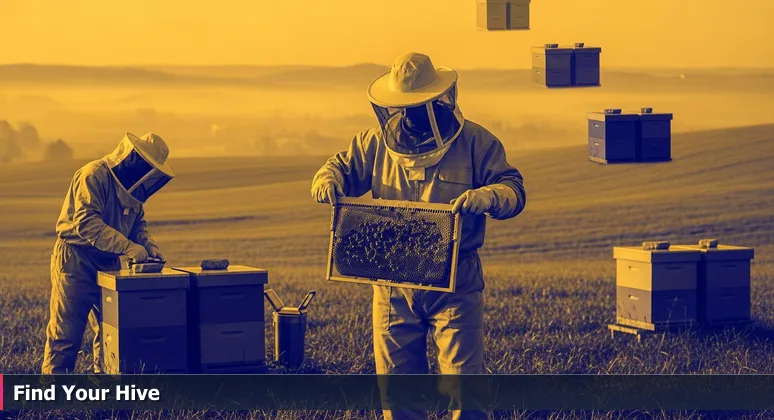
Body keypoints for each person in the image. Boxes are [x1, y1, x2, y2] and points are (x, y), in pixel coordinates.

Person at [311, 52, 527, 420]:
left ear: (439, 100)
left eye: (419, 108)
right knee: (398, 392)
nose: (411, 117)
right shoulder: (374, 143)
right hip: (393, 283)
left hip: (456, 281)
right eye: (404, 108)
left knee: (465, 389)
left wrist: (488, 196)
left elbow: (514, 191)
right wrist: (325, 181)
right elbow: (337, 168)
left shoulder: (476, 142)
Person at [42, 132, 175, 374]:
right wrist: (128, 247)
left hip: (109, 261)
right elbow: (86, 222)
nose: (147, 174)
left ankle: (103, 390)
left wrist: (148, 245)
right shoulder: (94, 175)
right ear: (132, 159)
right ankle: (52, 396)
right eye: (146, 167)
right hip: (76, 258)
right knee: (66, 333)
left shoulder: (134, 190)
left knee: (110, 330)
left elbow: (137, 224)